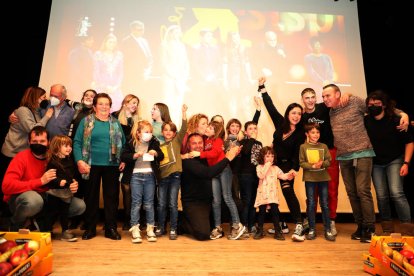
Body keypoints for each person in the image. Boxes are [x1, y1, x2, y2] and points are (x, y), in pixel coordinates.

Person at [2, 126, 85, 232]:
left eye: (42, 141)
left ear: (48, 142)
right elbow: (6, 186)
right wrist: (40, 181)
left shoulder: (54, 158)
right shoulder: (21, 157)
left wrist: (72, 184)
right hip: (23, 199)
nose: (38, 144)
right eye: (34, 141)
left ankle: (40, 221)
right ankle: (16, 223)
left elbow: (64, 177)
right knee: (34, 201)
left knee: (79, 206)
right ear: (29, 142)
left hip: (48, 197)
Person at [258, 76, 306, 242]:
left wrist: (295, 169)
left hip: (287, 167)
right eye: (293, 113)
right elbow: (270, 106)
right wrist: (262, 87)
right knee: (269, 194)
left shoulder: (300, 133)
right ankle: (282, 224)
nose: (296, 116)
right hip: (271, 165)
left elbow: (298, 153)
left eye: (299, 114)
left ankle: (299, 224)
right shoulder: (280, 123)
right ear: (287, 114)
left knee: (287, 191)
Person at [73, 93, 126, 240]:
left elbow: (124, 144)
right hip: (90, 165)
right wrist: (79, 161)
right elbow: (77, 142)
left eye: (107, 104)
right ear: (95, 106)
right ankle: (90, 228)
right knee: (91, 198)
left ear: (110, 107)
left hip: (112, 165)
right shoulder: (86, 121)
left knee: (111, 198)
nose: (104, 106)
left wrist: (123, 160)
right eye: (101, 104)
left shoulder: (116, 123)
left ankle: (111, 229)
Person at [364, 90, 413, 236]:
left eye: (377, 104)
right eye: (370, 104)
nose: (373, 106)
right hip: (376, 162)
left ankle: (407, 229)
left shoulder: (396, 119)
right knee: (381, 195)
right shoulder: (366, 120)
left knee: (396, 193)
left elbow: (410, 143)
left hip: (395, 160)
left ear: (384, 105)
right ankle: (387, 229)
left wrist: (406, 163)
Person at [300, 87, 346, 236]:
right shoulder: (300, 116)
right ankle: (310, 220)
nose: (310, 100)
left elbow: (343, 101)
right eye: (307, 98)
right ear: (303, 100)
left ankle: (331, 221)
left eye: (313, 97)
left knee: (332, 189)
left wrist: (348, 94)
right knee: (312, 193)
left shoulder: (323, 108)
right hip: (310, 154)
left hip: (329, 152)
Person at [191, 120, 246, 240]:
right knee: (216, 201)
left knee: (227, 197)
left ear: (216, 131)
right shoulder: (207, 140)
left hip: (223, 170)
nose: (207, 129)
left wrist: (199, 154)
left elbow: (215, 153)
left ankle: (237, 225)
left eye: (210, 128)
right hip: (214, 172)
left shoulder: (218, 141)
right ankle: (217, 227)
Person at [180, 133, 240, 241]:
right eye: (194, 143)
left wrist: (233, 152)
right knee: (203, 234)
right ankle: (184, 222)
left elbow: (218, 163)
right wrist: (227, 159)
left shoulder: (205, 157)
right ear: (188, 146)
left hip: (209, 202)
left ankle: (236, 227)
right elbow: (208, 173)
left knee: (237, 204)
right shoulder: (188, 161)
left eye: (200, 143)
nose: (198, 145)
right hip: (194, 203)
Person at [1, 87, 53, 201]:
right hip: (13, 151)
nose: (45, 100)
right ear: (35, 97)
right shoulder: (23, 110)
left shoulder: (35, 111)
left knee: (21, 184)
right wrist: (47, 116)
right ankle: (8, 209)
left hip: (22, 151)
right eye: (43, 97)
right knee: (10, 184)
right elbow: (33, 130)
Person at [121, 120, 164, 243]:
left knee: (149, 203)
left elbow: (160, 156)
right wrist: (134, 156)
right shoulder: (131, 142)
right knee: (136, 203)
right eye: (146, 132)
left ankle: (150, 228)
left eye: (150, 132)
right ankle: (135, 228)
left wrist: (155, 152)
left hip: (150, 176)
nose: (149, 134)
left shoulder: (154, 142)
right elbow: (123, 155)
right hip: (135, 176)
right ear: (138, 133)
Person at [299, 122, 335, 242]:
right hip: (310, 179)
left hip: (323, 178)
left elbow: (329, 160)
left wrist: (322, 163)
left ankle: (328, 229)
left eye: (317, 132)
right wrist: (312, 166)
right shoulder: (303, 147)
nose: (315, 134)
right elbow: (302, 162)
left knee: (324, 204)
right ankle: (312, 229)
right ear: (307, 134)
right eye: (313, 132)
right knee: (311, 204)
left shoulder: (323, 146)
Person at [156, 104, 188, 240]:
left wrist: (184, 113)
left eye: (171, 130)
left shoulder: (177, 141)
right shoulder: (158, 146)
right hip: (163, 178)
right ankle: (161, 227)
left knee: (172, 204)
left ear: (174, 133)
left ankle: (173, 228)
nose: (168, 132)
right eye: (166, 130)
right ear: (162, 132)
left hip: (175, 176)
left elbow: (184, 128)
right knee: (161, 204)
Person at [111, 94, 140, 231]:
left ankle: (128, 219)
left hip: (128, 159)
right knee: (112, 190)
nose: (135, 105)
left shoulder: (137, 121)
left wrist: (125, 159)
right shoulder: (114, 117)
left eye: (136, 103)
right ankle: (111, 220)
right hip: (112, 158)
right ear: (125, 103)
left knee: (127, 189)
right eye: (133, 102)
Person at [44, 135, 78, 242]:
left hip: (66, 193)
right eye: (65, 146)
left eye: (70, 145)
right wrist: (60, 181)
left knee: (65, 213)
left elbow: (72, 174)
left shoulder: (70, 160)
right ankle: (47, 230)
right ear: (56, 147)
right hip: (54, 192)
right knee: (51, 212)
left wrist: (74, 181)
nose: (69, 148)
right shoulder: (53, 162)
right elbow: (51, 178)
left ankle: (65, 231)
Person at [254, 146, 292, 240]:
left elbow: (282, 176)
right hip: (262, 194)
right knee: (261, 213)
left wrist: (289, 175)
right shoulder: (259, 167)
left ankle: (278, 231)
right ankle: (260, 231)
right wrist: (266, 166)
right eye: (267, 156)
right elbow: (261, 176)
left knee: (275, 213)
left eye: (272, 156)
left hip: (272, 195)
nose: (270, 158)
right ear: (262, 157)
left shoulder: (275, 168)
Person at [160, 25, 190, 124]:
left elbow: (186, 62)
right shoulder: (165, 44)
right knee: (168, 102)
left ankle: (176, 124)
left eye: (178, 32)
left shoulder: (182, 45)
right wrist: (173, 75)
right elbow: (163, 62)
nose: (177, 34)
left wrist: (184, 76)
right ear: (171, 33)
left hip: (180, 79)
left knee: (178, 103)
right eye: (175, 32)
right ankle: (167, 125)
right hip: (169, 78)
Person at [238, 120, 262, 235]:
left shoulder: (259, 143)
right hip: (245, 175)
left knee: (253, 201)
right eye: (250, 129)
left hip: (255, 175)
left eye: (255, 128)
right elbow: (246, 152)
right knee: (246, 201)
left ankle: (252, 224)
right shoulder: (243, 142)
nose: (253, 130)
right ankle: (244, 225)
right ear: (246, 132)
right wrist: (252, 139)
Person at [91, 33, 124, 111]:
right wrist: (105, 86)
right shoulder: (98, 54)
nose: (112, 44)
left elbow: (121, 72)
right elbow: (96, 72)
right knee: (101, 106)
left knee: (118, 107)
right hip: (101, 86)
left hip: (115, 88)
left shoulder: (119, 55)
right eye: (110, 42)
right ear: (105, 42)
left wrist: (116, 86)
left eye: (114, 42)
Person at [121, 20, 153, 93]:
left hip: (144, 73)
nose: (142, 31)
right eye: (139, 29)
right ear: (132, 30)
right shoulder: (127, 41)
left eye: (143, 29)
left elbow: (149, 56)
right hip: (132, 74)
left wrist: (148, 69)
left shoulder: (144, 41)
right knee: (133, 93)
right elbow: (127, 60)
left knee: (141, 93)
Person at [304, 37, 334, 102]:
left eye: (319, 44)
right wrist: (322, 81)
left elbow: (331, 70)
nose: (318, 46)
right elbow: (311, 72)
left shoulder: (327, 57)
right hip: (316, 85)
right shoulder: (308, 57)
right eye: (315, 45)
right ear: (312, 46)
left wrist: (328, 81)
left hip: (328, 84)